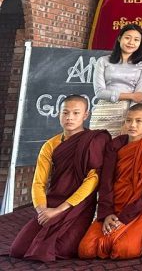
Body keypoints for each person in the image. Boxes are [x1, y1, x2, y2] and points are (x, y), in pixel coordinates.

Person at [9, 95, 110, 262]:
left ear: (85, 115)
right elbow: (39, 182)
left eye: (76, 113)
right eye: (65, 113)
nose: (70, 117)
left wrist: (59, 210)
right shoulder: (50, 145)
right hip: (54, 199)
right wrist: (42, 210)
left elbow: (93, 179)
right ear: (59, 114)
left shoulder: (93, 141)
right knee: (18, 249)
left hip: (79, 203)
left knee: (61, 249)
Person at [78, 104, 142, 260]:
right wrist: (107, 213)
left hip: (137, 207)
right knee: (86, 250)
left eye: (138, 121)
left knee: (125, 250)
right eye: (129, 120)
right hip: (113, 204)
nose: (132, 125)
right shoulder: (114, 146)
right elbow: (106, 182)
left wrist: (125, 217)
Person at [91, 23, 142, 137]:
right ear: (119, 38)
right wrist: (131, 95)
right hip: (103, 112)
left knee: (120, 147)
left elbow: (138, 96)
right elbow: (99, 92)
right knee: (96, 145)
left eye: (136, 40)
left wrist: (129, 121)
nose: (131, 42)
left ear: (140, 43)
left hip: (126, 113)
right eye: (127, 38)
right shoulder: (103, 61)